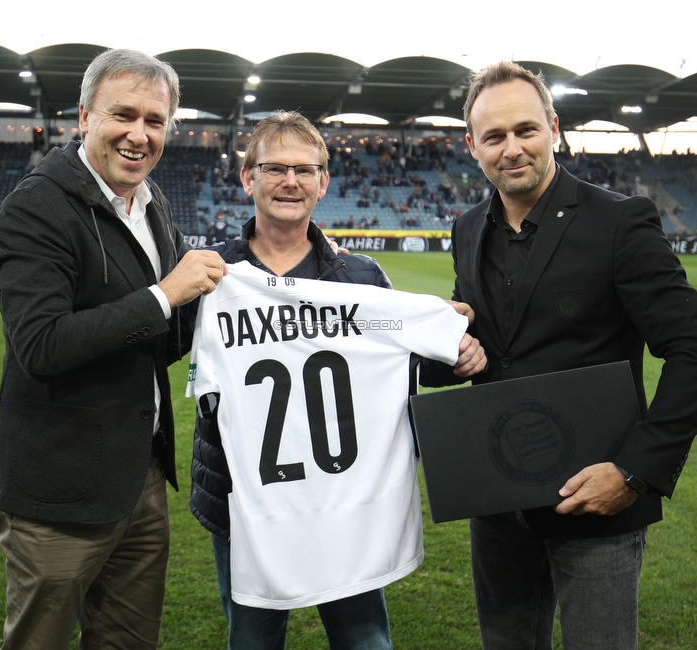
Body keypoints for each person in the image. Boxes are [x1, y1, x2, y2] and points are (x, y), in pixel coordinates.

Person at [421, 61, 697, 649]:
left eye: (526, 130)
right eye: (494, 136)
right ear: (472, 146)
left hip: (595, 504)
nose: (512, 149)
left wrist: (634, 472)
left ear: (554, 128)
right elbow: (479, 352)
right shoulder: (467, 229)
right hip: (497, 501)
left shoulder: (620, 222)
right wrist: (451, 347)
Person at [188, 111, 485, 650]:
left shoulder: (360, 277)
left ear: (324, 182)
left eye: (305, 170)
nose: (290, 181)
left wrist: (452, 350)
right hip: (247, 504)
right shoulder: (210, 277)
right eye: (274, 168)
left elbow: (402, 366)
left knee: (366, 640)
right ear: (246, 178)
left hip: (346, 501)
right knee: (252, 641)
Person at [0, 48, 227, 649]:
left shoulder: (152, 202)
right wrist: (165, 295)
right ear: (85, 116)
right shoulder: (36, 207)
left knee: (128, 642)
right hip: (58, 485)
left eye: (156, 120)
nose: (140, 135)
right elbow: (42, 345)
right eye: (124, 115)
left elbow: (158, 335)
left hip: (138, 471)